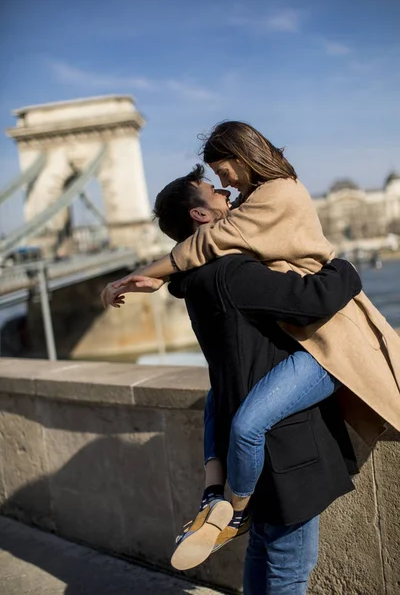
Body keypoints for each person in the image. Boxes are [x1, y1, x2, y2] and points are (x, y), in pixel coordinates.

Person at [101, 169, 362, 593]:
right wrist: (344, 268)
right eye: (215, 190)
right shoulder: (232, 274)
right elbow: (310, 301)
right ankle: (231, 511)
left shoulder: (192, 282)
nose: (226, 192)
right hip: (285, 449)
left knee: (261, 551)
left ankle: (221, 508)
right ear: (202, 214)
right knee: (289, 568)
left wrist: (162, 276)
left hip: (245, 438)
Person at [106, 121, 400, 453]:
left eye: (221, 170)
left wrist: (155, 274)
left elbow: (212, 239)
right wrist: (156, 274)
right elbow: (211, 239)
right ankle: (222, 492)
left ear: (242, 154)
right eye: (215, 178)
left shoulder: (277, 193)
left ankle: (223, 493)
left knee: (240, 417)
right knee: (229, 408)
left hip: (328, 324)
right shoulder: (253, 204)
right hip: (311, 319)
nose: (223, 184)